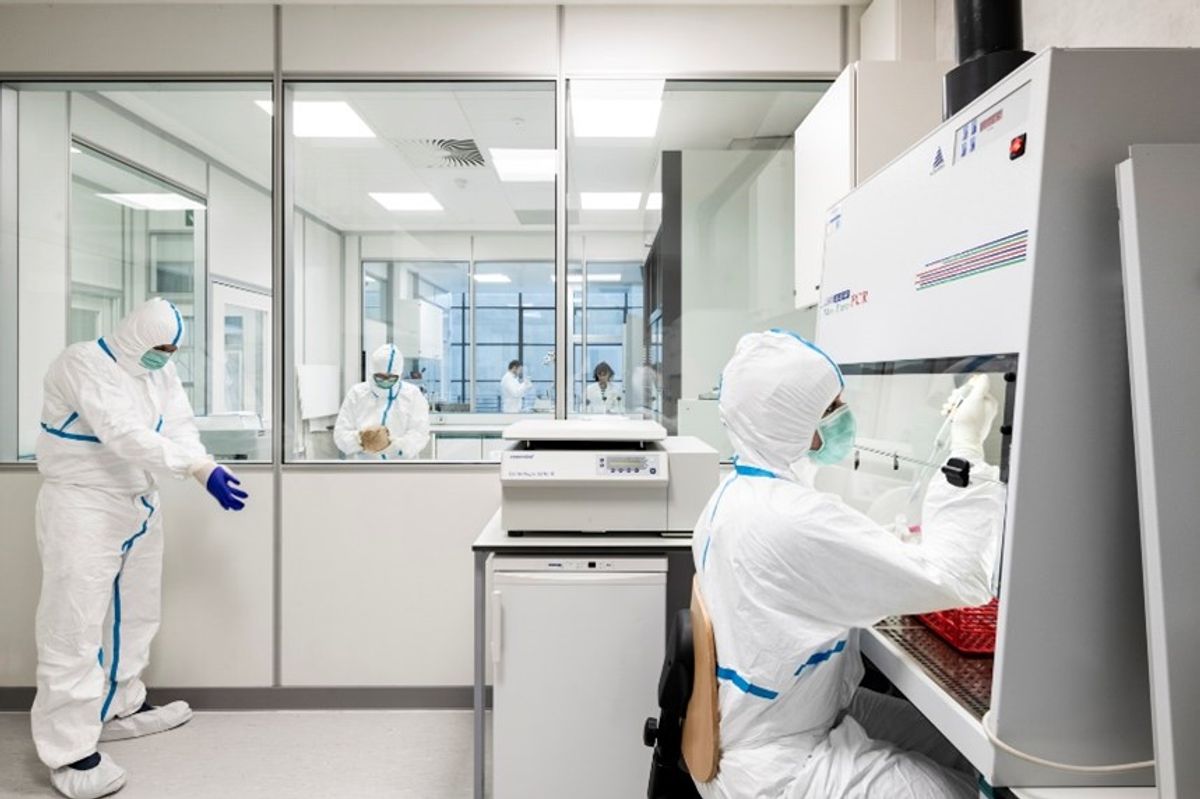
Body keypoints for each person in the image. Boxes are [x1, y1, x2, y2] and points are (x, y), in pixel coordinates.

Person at [692, 330, 1005, 799]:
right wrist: (967, 447)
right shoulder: (791, 518)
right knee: (961, 789)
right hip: (783, 766)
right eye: (833, 407)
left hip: (776, 721)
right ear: (793, 422)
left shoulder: (735, 496)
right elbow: (961, 579)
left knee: (969, 752)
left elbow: (819, 558)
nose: (846, 417)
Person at [32, 297, 249, 799]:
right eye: (159, 347)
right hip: (82, 505)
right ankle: (69, 752)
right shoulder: (82, 362)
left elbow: (179, 426)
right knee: (74, 624)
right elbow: (122, 434)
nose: (165, 355)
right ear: (134, 336)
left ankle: (121, 703)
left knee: (137, 611)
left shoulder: (159, 374)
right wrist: (195, 470)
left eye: (173, 349)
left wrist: (202, 462)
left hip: (139, 500)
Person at [333, 343, 430, 460]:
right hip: (365, 468)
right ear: (372, 372)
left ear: (399, 374)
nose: (385, 381)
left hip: (402, 468)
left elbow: (419, 433)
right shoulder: (357, 393)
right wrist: (361, 439)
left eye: (391, 377)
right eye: (380, 376)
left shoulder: (412, 395)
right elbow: (340, 435)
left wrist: (393, 445)